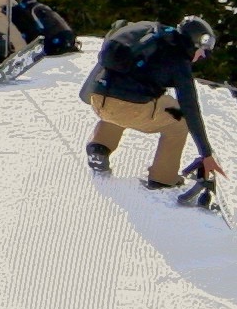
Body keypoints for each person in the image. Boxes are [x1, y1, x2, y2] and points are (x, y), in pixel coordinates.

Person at [83, 15, 225, 199]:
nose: (202, 56)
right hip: (128, 108)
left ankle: (99, 149)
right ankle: (162, 178)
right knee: (179, 119)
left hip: (98, 97)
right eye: (203, 51)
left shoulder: (149, 31)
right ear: (196, 43)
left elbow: (117, 30)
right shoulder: (178, 61)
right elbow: (190, 108)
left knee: (129, 99)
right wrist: (206, 154)